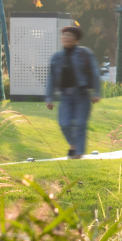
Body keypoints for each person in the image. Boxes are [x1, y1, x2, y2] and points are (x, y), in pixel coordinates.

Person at [45, 26, 101, 159]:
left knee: (81, 123)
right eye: (64, 35)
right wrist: (49, 97)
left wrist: (96, 92)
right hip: (65, 96)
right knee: (64, 123)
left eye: (69, 35)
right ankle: (74, 145)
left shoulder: (85, 53)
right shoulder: (57, 57)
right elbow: (51, 78)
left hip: (82, 95)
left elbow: (94, 73)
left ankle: (78, 153)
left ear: (76, 39)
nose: (66, 38)